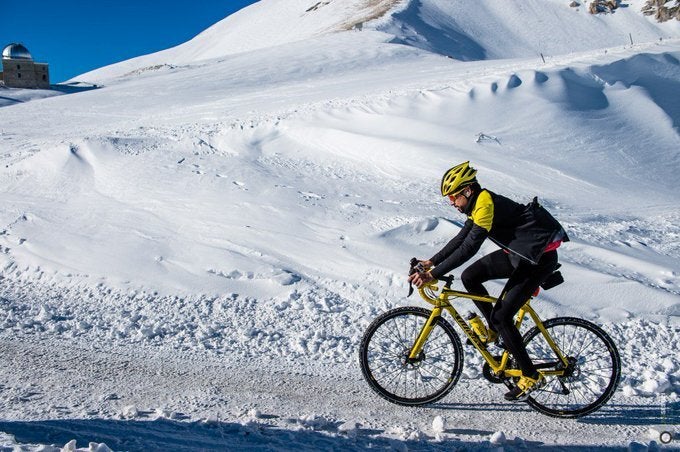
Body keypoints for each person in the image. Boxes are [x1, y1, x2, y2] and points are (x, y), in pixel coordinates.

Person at [408, 161, 569, 401]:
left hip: (537, 260)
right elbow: (460, 239)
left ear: (467, 191)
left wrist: (432, 275)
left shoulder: (484, 205)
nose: (452, 202)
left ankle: (530, 375)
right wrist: (431, 262)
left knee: (503, 316)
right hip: (518, 256)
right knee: (470, 277)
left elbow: (470, 248)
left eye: (453, 197)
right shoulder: (478, 204)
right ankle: (494, 332)